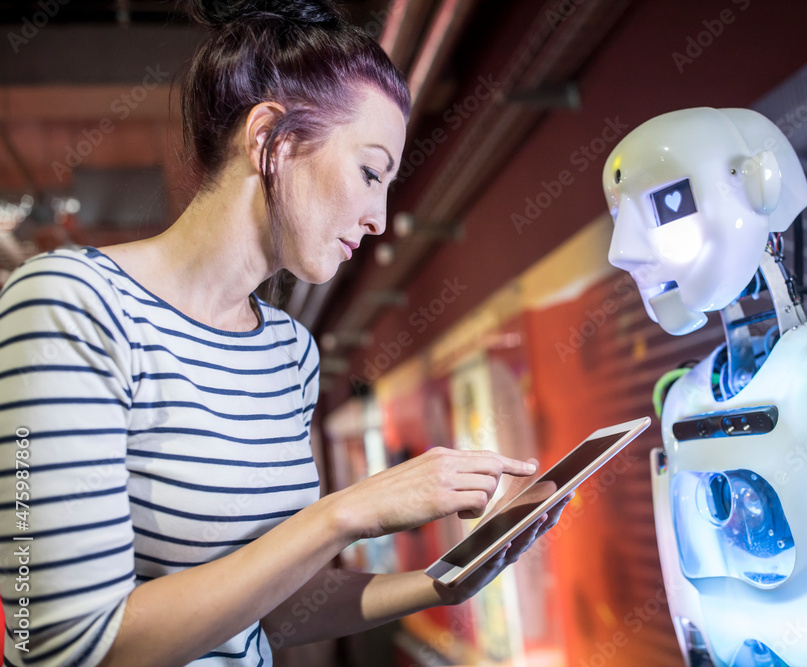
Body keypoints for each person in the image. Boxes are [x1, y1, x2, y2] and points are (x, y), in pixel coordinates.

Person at [0, 2, 569, 665]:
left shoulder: (289, 353)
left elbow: (262, 611)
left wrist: (444, 579)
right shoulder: (73, 303)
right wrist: (345, 511)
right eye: (369, 171)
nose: (380, 218)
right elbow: (59, 647)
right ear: (270, 137)